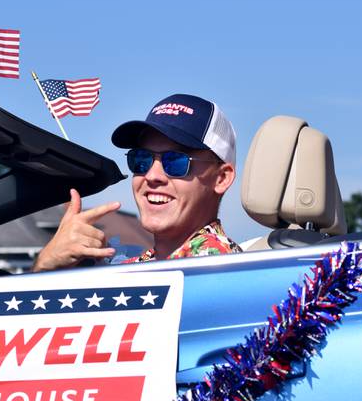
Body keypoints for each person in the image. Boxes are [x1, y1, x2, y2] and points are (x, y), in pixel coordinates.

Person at [32, 94, 240, 271]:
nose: (152, 175)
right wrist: (46, 265)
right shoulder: (144, 266)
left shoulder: (214, 268)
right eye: (141, 159)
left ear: (221, 178)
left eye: (175, 161)